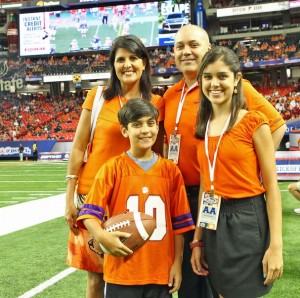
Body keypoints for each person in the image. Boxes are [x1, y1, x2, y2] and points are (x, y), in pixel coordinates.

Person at [163, 24, 286, 298]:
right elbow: (208, 181)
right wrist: (197, 240)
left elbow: (273, 183)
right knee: (210, 288)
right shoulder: (191, 115)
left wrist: (246, 170)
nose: (214, 83)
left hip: (244, 212)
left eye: (193, 45)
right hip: (206, 209)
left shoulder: (250, 114)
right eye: (180, 46)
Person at [65, 34, 164, 298]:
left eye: (133, 58)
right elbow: (78, 147)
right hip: (92, 197)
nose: (127, 64)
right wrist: (69, 198)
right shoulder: (97, 97)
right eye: (120, 59)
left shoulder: (156, 103)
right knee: (96, 278)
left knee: (132, 276)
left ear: (144, 63)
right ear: (113, 65)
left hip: (131, 201)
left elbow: (158, 154)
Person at [76, 99, 195, 297]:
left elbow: (179, 225)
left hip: (160, 272)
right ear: (125, 131)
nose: (145, 130)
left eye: (150, 123)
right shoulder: (112, 168)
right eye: (137, 125)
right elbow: (89, 214)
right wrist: (103, 236)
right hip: (122, 271)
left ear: (157, 127)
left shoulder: (171, 171)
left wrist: (177, 263)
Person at [191, 46, 283, 298]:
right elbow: (204, 188)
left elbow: (272, 188)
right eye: (207, 77)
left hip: (247, 219)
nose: (214, 83)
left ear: (236, 80)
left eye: (222, 76)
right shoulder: (202, 130)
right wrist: (198, 240)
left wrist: (276, 245)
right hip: (213, 221)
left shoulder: (254, 122)